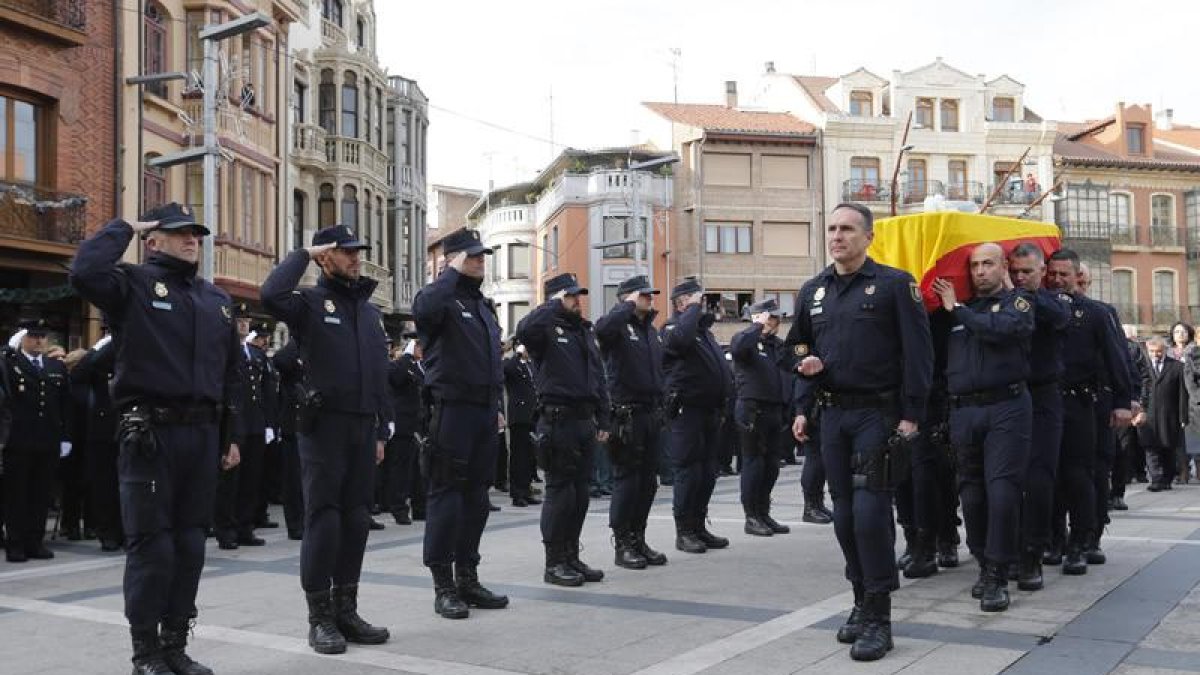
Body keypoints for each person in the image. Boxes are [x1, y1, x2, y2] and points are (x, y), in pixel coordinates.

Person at [69, 202, 243, 675]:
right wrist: (125, 227)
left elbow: (231, 375)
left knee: (189, 546)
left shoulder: (216, 301)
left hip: (202, 435)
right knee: (153, 546)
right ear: (154, 239)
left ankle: (174, 645)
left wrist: (231, 437)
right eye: (179, 233)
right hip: (150, 433)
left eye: (197, 234)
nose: (192, 241)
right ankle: (145, 652)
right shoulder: (133, 284)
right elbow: (84, 272)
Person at [782, 202, 933, 662]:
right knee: (845, 517)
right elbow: (800, 347)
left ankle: (879, 617)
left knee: (870, 515)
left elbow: (919, 353)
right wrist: (803, 400)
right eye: (831, 228)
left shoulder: (893, 285)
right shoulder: (813, 291)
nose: (837, 236)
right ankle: (860, 600)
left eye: (847, 229)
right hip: (833, 417)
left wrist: (912, 414)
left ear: (868, 237)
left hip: (878, 415)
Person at [261, 224, 391, 654]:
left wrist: (381, 427)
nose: (355, 258)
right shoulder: (310, 304)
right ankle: (319, 618)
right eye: (345, 251)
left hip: (361, 427)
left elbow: (378, 374)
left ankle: (346, 610)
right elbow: (270, 295)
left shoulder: (369, 312)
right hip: (323, 428)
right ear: (324, 257)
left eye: (357, 251)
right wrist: (302, 251)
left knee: (356, 519)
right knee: (326, 518)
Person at [411, 227, 509, 620]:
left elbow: (491, 361)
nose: (479, 262)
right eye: (471, 256)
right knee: (446, 498)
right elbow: (423, 311)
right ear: (452, 260)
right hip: (451, 410)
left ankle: (467, 576)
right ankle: (443, 585)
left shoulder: (482, 306)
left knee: (477, 500)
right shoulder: (440, 298)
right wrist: (448, 272)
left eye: (481, 256)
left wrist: (497, 404)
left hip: (484, 412)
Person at [932, 243, 1034, 612]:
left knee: (1003, 491)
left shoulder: (1018, 304)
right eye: (974, 265)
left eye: (988, 264)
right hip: (963, 412)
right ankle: (982, 559)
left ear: (1003, 266)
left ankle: (997, 572)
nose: (980, 271)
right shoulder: (957, 311)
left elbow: (1000, 331)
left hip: (1007, 407)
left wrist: (956, 307)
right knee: (971, 494)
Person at [517, 272, 610, 586]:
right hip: (557, 420)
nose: (577, 301)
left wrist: (604, 418)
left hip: (584, 420)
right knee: (560, 493)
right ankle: (554, 562)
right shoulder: (544, 328)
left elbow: (597, 377)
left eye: (578, 296)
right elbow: (523, 330)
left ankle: (571, 555)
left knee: (580, 494)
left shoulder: (582, 331)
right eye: (570, 296)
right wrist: (549, 306)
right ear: (556, 299)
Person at [1044, 249, 1132, 575]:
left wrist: (1125, 400)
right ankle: (1054, 539)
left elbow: (1116, 358)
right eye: (1051, 274)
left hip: (1083, 404)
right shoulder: (1038, 309)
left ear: (1077, 275)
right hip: (1045, 404)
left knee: (1080, 475)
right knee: (1047, 475)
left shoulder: (1095, 313)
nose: (1056, 280)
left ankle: (1082, 541)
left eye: (1063, 274)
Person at [594, 274, 669, 569]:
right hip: (625, 414)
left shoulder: (649, 331)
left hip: (650, 413)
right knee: (627, 480)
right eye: (643, 295)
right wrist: (625, 306)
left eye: (650, 295)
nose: (649, 299)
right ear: (627, 297)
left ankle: (638, 537)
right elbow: (602, 329)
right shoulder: (618, 326)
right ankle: (623, 542)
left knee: (648, 482)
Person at [1007, 243, 1070, 591]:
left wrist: (1025, 294)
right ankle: (1008, 553)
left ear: (1042, 271)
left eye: (1026, 272)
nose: (1019, 277)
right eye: (1014, 271)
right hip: (1008, 396)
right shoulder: (1004, 300)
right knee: (1006, 482)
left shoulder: (1051, 301)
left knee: (1039, 478)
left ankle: (1033, 553)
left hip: (1043, 397)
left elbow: (1057, 317)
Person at [662, 277, 733, 554]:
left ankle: (699, 525)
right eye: (697, 301)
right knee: (688, 472)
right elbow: (678, 342)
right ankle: (684, 531)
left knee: (706, 473)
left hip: (709, 411)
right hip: (687, 410)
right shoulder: (673, 328)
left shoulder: (704, 333)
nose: (702, 305)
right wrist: (690, 311)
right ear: (682, 303)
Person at [2, 318, 72, 562]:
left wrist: (65, 437)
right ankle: (16, 543)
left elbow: (65, 405)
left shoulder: (56, 367)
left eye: (43, 336)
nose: (39, 340)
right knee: (16, 495)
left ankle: (35, 541)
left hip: (48, 441)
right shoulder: (10, 364)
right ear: (22, 338)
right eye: (33, 336)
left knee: (41, 494)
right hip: (19, 441)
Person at [730, 298, 790, 537]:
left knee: (772, 464)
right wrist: (757, 326)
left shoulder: (777, 345)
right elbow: (738, 348)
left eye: (776, 318)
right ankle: (751, 516)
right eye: (772, 317)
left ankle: (764, 512)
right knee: (753, 463)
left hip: (775, 410)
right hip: (752, 409)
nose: (776, 322)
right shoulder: (745, 339)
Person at [73, 329, 123, 552]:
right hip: (103, 431)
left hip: (129, 427)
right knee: (104, 485)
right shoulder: (101, 354)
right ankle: (108, 532)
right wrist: (99, 347)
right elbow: (79, 374)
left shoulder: (134, 347)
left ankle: (126, 531)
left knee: (129, 485)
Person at [384, 334, 425, 524]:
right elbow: (396, 379)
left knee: (417, 469)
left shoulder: (420, 366)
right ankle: (399, 508)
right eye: (418, 346)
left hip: (416, 425)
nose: (422, 350)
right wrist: (406, 357)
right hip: (402, 425)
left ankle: (419, 507)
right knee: (400, 469)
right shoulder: (401, 364)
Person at [272, 338, 307, 540]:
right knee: (293, 480)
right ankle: (295, 524)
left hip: (310, 423)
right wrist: (299, 339)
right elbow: (280, 360)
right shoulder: (294, 348)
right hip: (292, 425)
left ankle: (305, 520)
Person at [1141, 338, 1186, 491]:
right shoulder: (1143, 367)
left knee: (1169, 448)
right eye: (1152, 351)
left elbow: (1182, 394)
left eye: (1159, 351)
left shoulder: (1177, 367)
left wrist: (1183, 416)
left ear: (1165, 350)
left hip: (1169, 415)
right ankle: (1156, 479)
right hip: (1148, 415)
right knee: (1150, 448)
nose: (1155, 354)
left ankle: (1167, 478)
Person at [503, 342, 540, 507]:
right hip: (519, 416)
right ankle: (517, 493)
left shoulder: (530, 365)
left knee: (529, 456)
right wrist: (515, 353)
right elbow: (506, 368)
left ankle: (526, 489)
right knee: (519, 456)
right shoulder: (513, 365)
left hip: (532, 416)